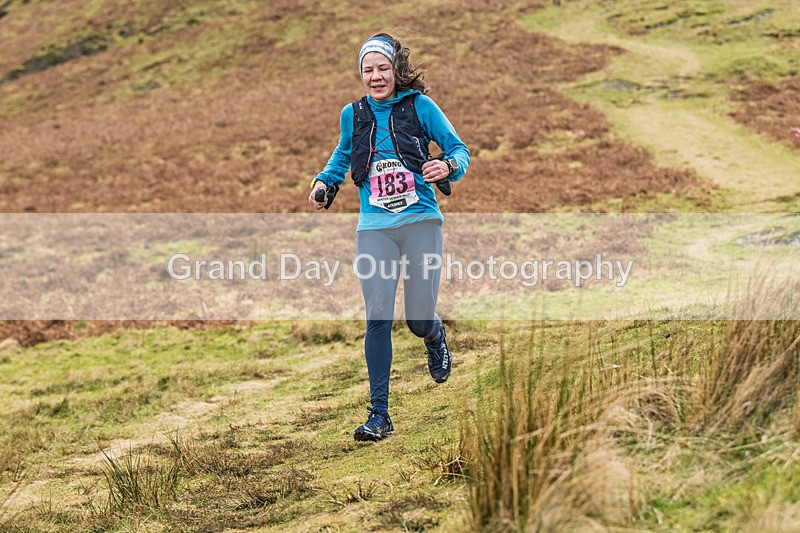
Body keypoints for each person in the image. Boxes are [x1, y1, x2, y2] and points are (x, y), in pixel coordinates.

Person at [308, 33, 470, 441]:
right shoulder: (354, 113)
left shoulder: (420, 106)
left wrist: (447, 166)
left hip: (420, 222)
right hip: (374, 227)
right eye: (368, 70)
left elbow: (459, 149)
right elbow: (343, 156)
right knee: (377, 315)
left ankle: (434, 334)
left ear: (396, 70)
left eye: (383, 68)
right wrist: (324, 183)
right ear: (360, 74)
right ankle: (379, 415)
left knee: (416, 319)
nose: (376, 77)